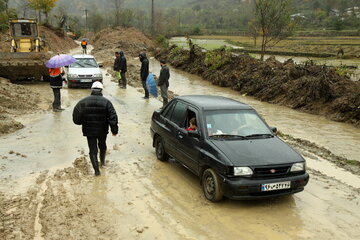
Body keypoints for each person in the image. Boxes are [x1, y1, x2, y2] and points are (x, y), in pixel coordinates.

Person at [72, 81, 118, 176]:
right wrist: (114, 130)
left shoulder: (83, 102)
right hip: (102, 130)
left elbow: (76, 118)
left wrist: (82, 122)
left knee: (92, 150)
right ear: (101, 90)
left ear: (92, 90)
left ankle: (97, 171)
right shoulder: (107, 102)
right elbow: (113, 117)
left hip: (89, 131)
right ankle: (102, 162)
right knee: (102, 145)